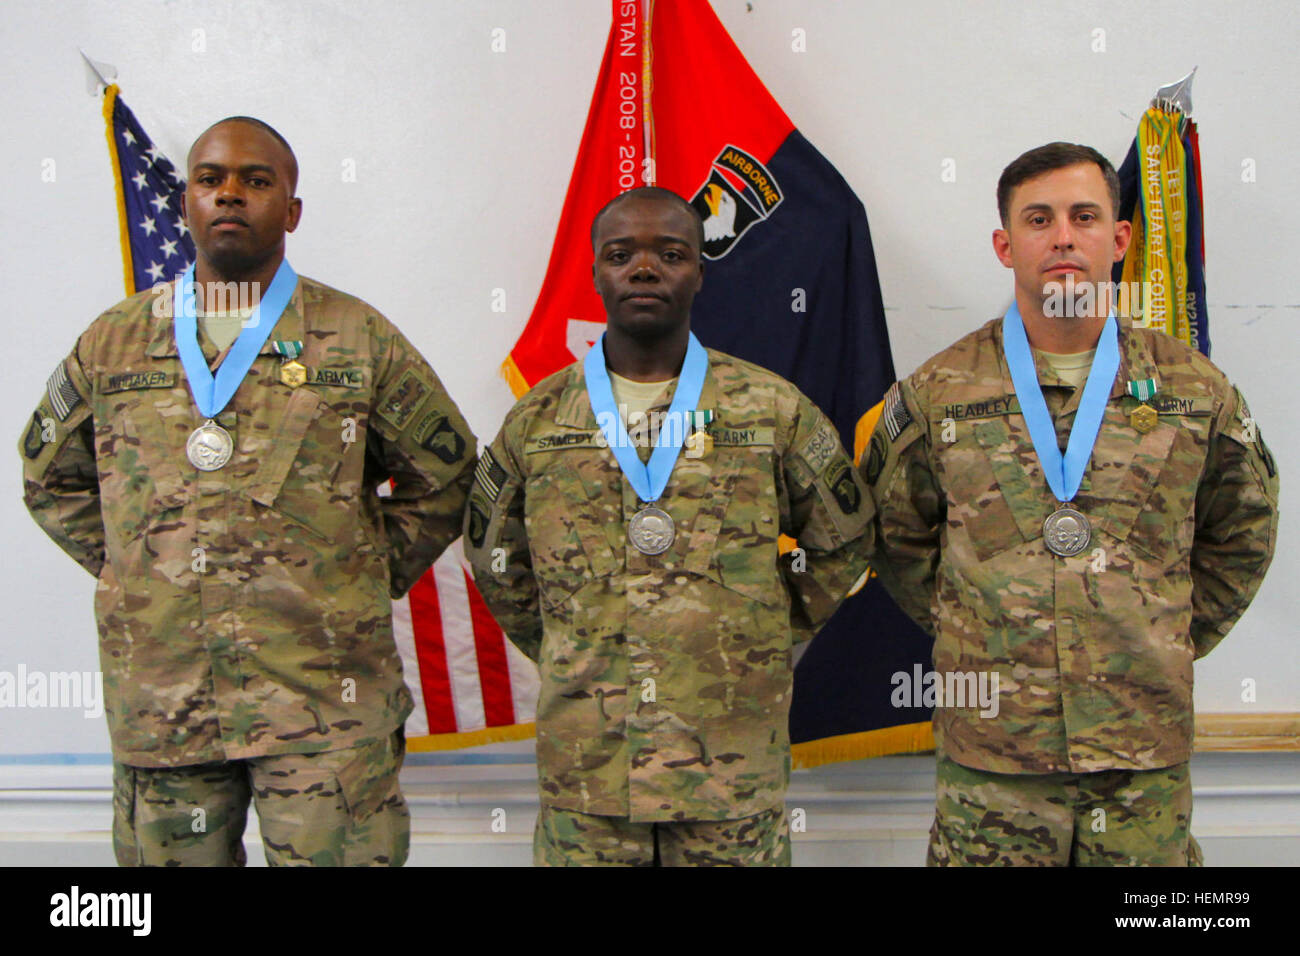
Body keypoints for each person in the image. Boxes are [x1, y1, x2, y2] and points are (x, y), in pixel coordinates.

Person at [20, 116, 477, 866]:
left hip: (324, 698)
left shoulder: (357, 338)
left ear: (291, 211)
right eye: (211, 179)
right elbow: (49, 476)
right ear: (186, 204)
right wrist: (141, 568)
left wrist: (354, 569)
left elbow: (450, 474)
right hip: (165, 695)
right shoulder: (115, 340)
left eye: (257, 181)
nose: (230, 194)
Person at [860, 142, 1279, 866]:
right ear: (1005, 244)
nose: (1062, 237)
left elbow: (1242, 533)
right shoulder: (940, 392)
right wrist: (983, 629)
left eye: (1085, 217)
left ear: (1119, 240)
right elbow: (895, 537)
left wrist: (1159, 634)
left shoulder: (1194, 390)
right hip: (992, 759)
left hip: (1139, 752)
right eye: (1038, 219)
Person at [464, 187, 871, 866]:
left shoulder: (771, 410)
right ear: (595, 271)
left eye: (671, 254)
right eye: (621, 255)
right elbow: (493, 554)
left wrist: (766, 630)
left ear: (700, 271)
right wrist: (567, 641)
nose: (644, 269)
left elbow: (846, 536)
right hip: (589, 776)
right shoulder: (539, 421)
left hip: (729, 770)